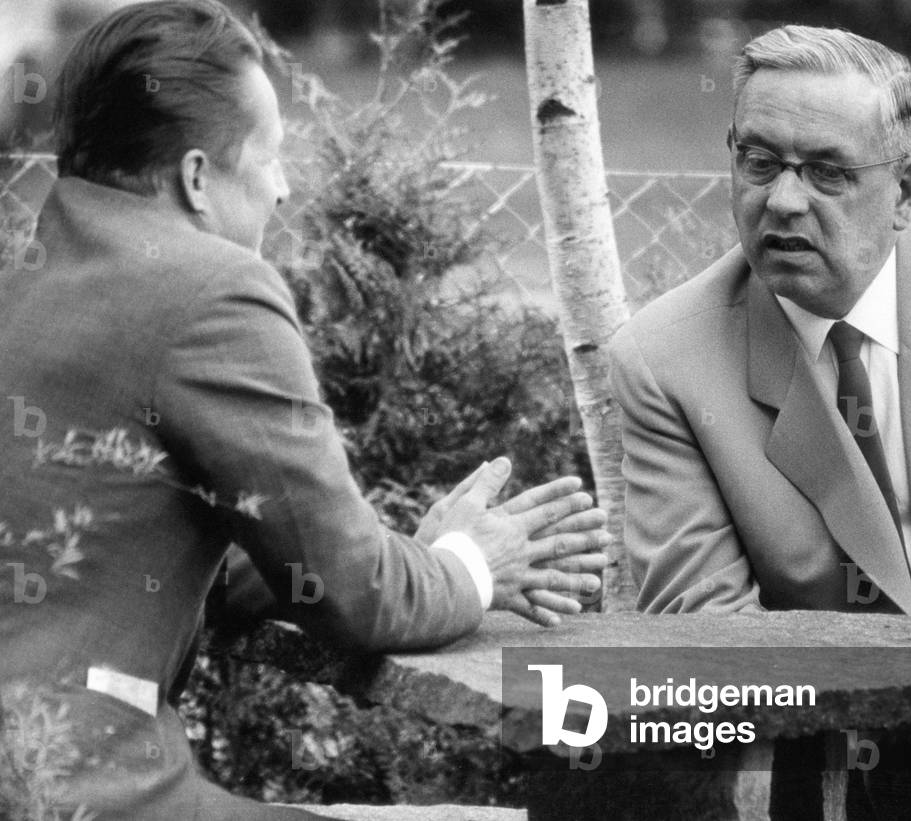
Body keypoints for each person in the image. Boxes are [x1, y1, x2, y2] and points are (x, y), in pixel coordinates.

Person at [0, 1, 608, 818]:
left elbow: (139, 529)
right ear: (195, 179)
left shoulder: (27, 281)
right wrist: (468, 568)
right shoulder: (214, 293)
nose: (285, 190)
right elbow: (357, 597)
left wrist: (413, 565)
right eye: (272, 158)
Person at [609, 24, 911, 618]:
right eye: (759, 161)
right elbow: (707, 632)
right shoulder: (666, 362)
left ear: (904, 192)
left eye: (827, 172)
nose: (783, 201)